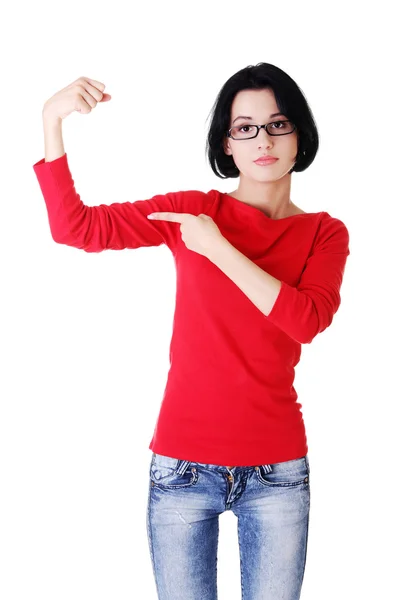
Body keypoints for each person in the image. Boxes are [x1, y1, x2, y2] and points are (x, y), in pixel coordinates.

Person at [33, 62, 350, 600]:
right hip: (182, 466)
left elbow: (305, 320)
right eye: (244, 127)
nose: (262, 140)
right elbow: (77, 228)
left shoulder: (324, 232)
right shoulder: (193, 213)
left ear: (300, 133)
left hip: (277, 471)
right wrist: (51, 121)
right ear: (227, 144)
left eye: (277, 124)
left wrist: (219, 249)